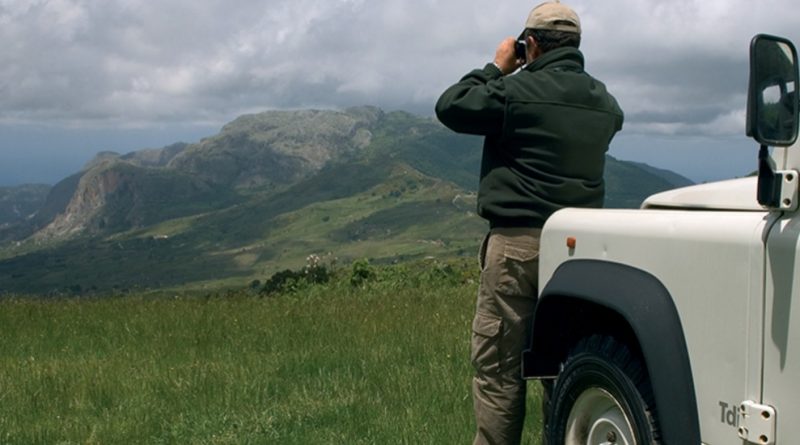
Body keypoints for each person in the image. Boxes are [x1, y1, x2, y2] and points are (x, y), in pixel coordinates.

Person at [434, 2, 624, 444]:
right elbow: (611, 121)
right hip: (581, 251)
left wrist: (496, 67)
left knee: (500, 369)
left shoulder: (515, 93)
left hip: (518, 246)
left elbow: (451, 105)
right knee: (563, 366)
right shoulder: (605, 102)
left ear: (530, 45)